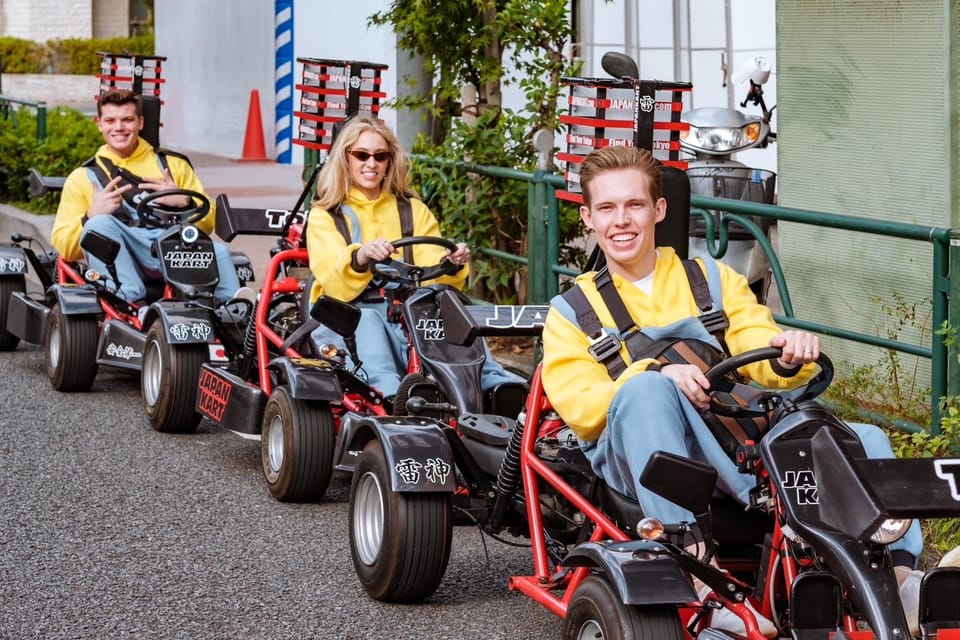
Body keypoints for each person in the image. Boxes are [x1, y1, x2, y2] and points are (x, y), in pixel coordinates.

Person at [540, 145, 945, 637]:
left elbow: (754, 340)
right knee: (647, 392)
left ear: (658, 210)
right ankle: (697, 570)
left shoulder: (711, 279)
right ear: (588, 217)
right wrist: (652, 373)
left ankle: (897, 577)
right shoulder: (571, 311)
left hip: (728, 437)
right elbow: (582, 408)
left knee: (864, 439)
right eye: (606, 208)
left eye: (634, 205)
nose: (621, 221)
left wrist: (785, 349)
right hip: (638, 454)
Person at [305, 115, 521, 402]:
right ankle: (392, 394)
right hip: (348, 310)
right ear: (345, 159)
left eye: (380, 156)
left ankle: (491, 384)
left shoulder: (412, 209)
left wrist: (451, 262)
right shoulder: (325, 215)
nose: (371, 163)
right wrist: (361, 255)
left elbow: (430, 266)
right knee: (367, 321)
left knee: (449, 309)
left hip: (406, 306)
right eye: (361, 155)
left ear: (389, 162)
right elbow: (332, 279)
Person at [50, 88, 245, 312]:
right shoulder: (83, 177)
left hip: (171, 251)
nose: (119, 127)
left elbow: (208, 223)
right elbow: (63, 246)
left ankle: (234, 313)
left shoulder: (173, 165)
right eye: (110, 120)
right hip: (124, 257)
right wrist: (88, 217)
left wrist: (185, 203)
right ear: (100, 124)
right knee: (99, 224)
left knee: (218, 251)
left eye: (127, 120)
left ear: (140, 123)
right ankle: (132, 305)